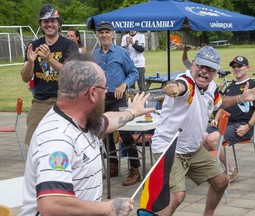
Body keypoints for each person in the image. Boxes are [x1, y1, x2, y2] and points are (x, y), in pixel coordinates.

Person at [19, 53, 155, 216]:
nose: (106, 94)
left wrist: (132, 112)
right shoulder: (57, 137)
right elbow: (51, 204)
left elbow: (108, 120)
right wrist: (110, 208)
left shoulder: (83, 121)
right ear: (92, 93)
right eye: (105, 89)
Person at [151, 46, 255, 216]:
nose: (204, 71)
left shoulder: (211, 87)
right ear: (194, 64)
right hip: (169, 148)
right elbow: (179, 86)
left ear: (216, 71)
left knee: (221, 181)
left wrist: (241, 98)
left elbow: (220, 103)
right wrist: (172, 88)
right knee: (176, 196)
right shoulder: (187, 82)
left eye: (210, 68)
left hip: (193, 148)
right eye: (201, 66)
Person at [20, 4, 78, 145]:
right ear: (40, 24)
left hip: (64, 102)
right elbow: (25, 77)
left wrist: (49, 59)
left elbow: (71, 74)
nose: (49, 24)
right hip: (40, 102)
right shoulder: (33, 45)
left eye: (53, 20)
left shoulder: (69, 46)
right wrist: (31, 62)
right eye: (45, 21)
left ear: (59, 23)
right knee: (34, 144)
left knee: (64, 143)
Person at [93, 22, 141, 186]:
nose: (104, 35)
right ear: (98, 35)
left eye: (107, 32)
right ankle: (112, 166)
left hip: (118, 97)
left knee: (125, 133)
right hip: (100, 98)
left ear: (113, 35)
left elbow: (134, 73)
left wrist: (123, 85)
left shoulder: (121, 53)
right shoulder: (95, 55)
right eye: (101, 32)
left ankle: (135, 170)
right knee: (105, 132)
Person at [203, 56, 255, 182]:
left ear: (247, 68)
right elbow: (222, 106)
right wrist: (217, 118)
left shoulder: (254, 85)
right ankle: (217, 169)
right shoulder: (230, 87)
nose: (236, 69)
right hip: (225, 125)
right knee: (199, 135)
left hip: (242, 126)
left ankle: (230, 171)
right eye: (234, 66)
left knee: (212, 139)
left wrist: (248, 126)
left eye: (239, 66)